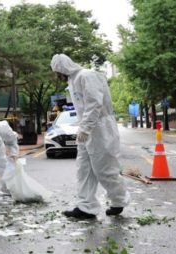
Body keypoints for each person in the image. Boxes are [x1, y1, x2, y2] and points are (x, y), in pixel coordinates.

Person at [50, 54, 130, 219]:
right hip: (87, 129)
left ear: (63, 68)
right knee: (84, 169)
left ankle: (118, 201)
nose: (57, 76)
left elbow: (94, 103)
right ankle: (86, 207)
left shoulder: (86, 76)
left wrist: (85, 128)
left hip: (101, 129)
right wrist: (83, 128)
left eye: (57, 72)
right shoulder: (73, 81)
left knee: (105, 169)